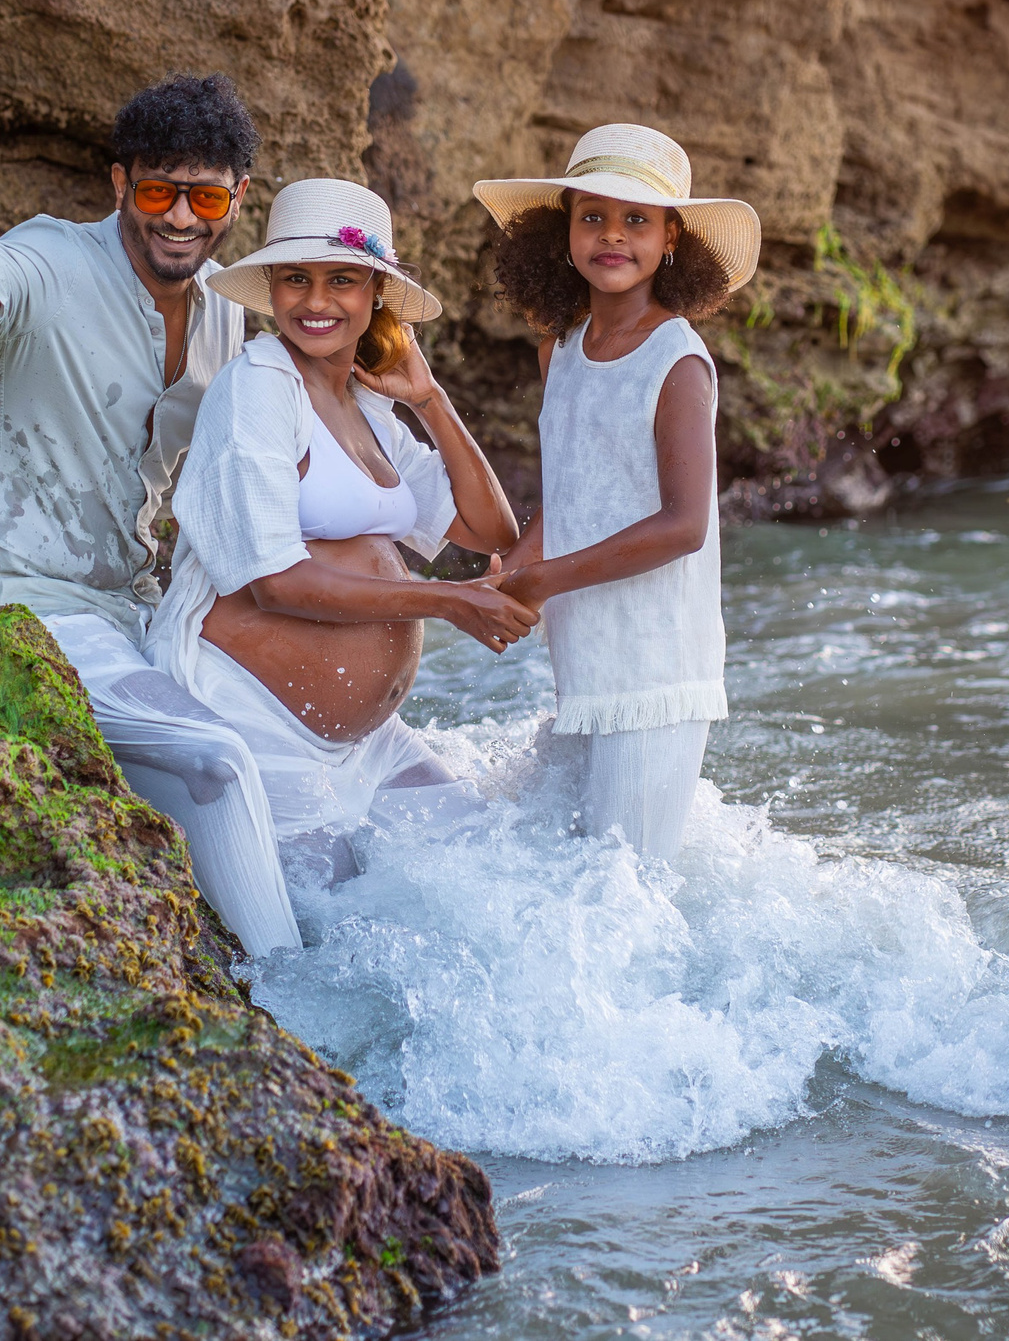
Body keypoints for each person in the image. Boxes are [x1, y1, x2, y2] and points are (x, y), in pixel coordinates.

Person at [0, 72, 303, 954]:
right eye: (157, 191)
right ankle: (290, 998)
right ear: (120, 184)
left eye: (206, 195)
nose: (180, 217)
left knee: (296, 766)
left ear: (239, 198)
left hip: (134, 616)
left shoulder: (228, 311)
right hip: (7, 606)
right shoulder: (58, 259)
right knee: (219, 759)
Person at [146, 178, 535, 891]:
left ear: (377, 295)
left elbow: (489, 530)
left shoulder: (367, 403)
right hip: (254, 727)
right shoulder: (258, 386)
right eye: (296, 278)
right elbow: (277, 581)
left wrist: (430, 398)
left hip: (365, 745)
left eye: (343, 280)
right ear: (271, 285)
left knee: (496, 872)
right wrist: (446, 602)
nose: (317, 301)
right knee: (336, 943)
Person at [474, 123, 761, 862]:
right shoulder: (561, 352)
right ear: (562, 230)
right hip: (588, 662)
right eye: (592, 215)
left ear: (671, 239)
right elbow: (569, 491)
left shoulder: (677, 360)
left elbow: (684, 525)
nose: (613, 235)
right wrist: (513, 571)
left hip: (658, 671)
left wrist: (546, 579)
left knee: (624, 897)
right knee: (561, 878)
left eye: (637, 219)